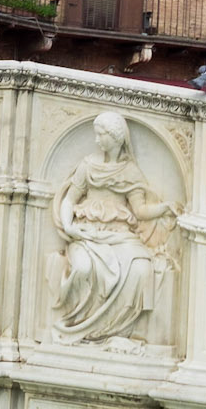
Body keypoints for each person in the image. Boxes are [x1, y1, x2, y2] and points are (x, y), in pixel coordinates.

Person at [46, 111, 177, 341]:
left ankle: (114, 330)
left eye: (101, 135)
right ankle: (80, 326)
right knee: (83, 268)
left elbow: (140, 211)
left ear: (116, 137)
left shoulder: (130, 172)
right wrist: (68, 226)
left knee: (141, 268)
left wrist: (164, 208)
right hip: (87, 232)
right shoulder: (88, 166)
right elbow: (69, 200)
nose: (96, 140)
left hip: (120, 235)